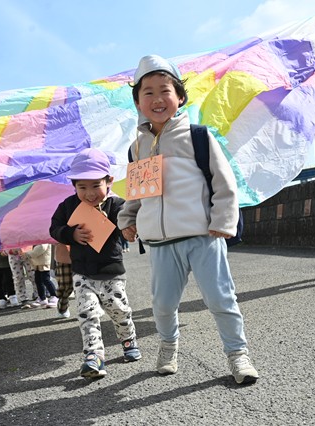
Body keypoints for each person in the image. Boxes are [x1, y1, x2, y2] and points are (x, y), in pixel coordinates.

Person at [117, 54, 258, 385]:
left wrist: (222, 221)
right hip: (160, 244)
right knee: (163, 305)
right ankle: (168, 347)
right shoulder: (136, 148)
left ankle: (238, 355)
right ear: (137, 102)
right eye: (148, 92)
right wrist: (128, 218)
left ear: (180, 97)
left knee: (221, 299)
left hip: (203, 236)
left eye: (164, 90)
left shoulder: (198, 136)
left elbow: (224, 183)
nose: (157, 99)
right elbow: (136, 193)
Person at [50, 148, 142, 379]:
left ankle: (129, 341)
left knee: (119, 311)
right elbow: (54, 228)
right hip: (82, 273)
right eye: (82, 187)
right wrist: (70, 234)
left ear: (109, 181)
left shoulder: (117, 205)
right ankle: (94, 356)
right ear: (74, 186)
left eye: (95, 185)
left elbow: (127, 222)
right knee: (87, 314)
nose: (89, 193)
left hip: (112, 272)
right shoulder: (68, 206)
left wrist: (129, 229)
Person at [26, 244, 58, 308]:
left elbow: (41, 248)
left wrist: (27, 254)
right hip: (37, 263)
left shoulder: (43, 239)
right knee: (38, 281)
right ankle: (42, 298)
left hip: (44, 263)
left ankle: (55, 296)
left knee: (46, 280)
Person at [53, 243, 74, 318]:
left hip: (86, 254)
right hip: (64, 255)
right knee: (66, 286)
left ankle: (88, 309)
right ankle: (63, 308)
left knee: (87, 284)